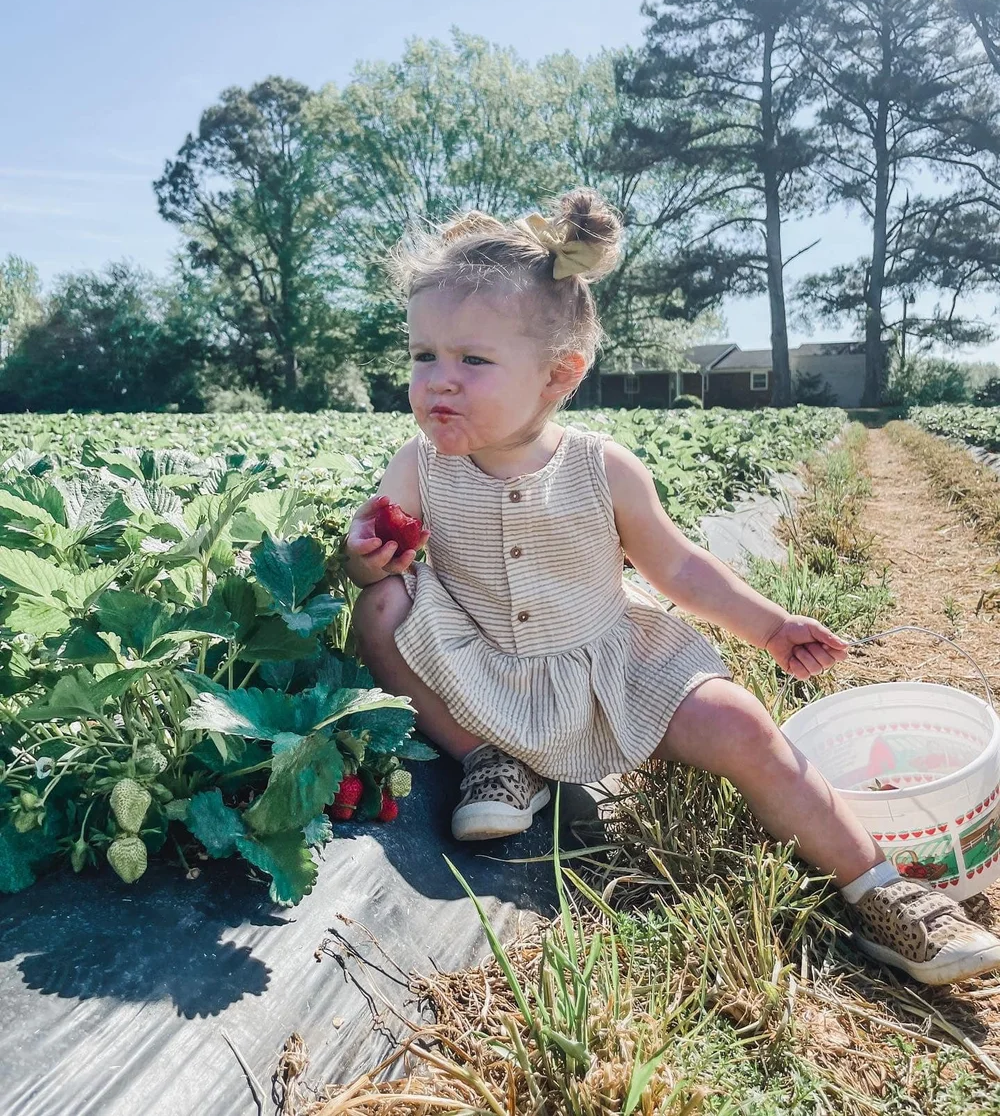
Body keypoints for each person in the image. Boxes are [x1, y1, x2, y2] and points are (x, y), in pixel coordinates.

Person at [345, 188, 1000, 987]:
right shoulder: (417, 466)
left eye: (473, 361)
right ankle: (490, 758)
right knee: (379, 607)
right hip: (481, 666)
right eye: (424, 357)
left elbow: (679, 567)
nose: (439, 382)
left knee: (742, 726)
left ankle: (881, 888)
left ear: (560, 374)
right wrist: (369, 554)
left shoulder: (601, 468)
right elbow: (376, 558)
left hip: (609, 666)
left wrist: (769, 626)